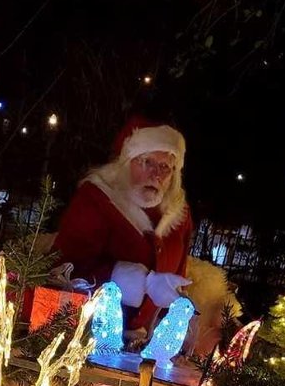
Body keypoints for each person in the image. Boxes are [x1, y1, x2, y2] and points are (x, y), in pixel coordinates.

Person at [53, 116, 193, 347]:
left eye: (165, 166)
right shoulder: (96, 200)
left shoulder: (180, 215)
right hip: (86, 341)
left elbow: (179, 279)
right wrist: (133, 280)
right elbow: (61, 269)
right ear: (126, 162)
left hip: (146, 349)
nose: (156, 175)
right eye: (147, 162)